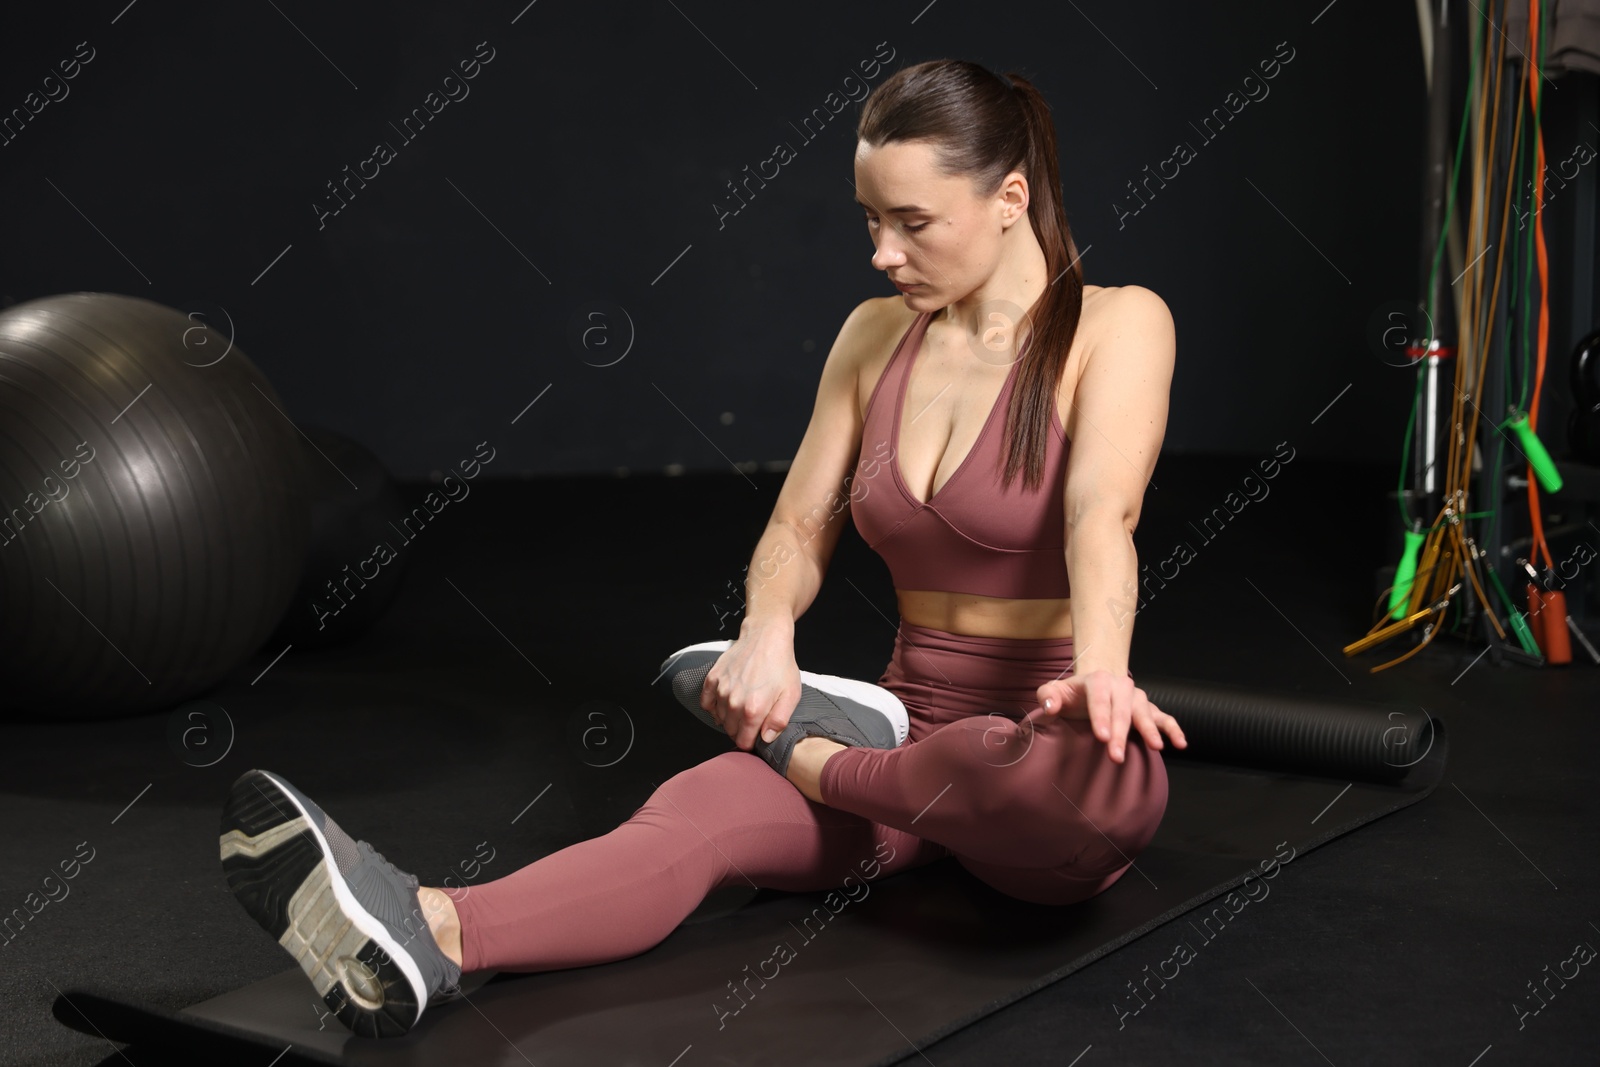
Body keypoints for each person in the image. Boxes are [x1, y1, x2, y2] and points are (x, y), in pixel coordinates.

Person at [217, 57, 1187, 1039]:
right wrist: (765, 627)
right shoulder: (872, 337)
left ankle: (797, 743)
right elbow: (801, 524)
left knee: (1009, 767)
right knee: (701, 807)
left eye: (913, 222)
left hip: (1051, 741)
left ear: (1009, 198)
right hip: (908, 730)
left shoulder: (1119, 323)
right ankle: (429, 932)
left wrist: (1103, 674)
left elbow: (1097, 514)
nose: (882, 253)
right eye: (868, 220)